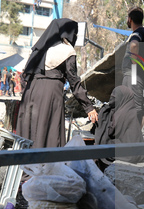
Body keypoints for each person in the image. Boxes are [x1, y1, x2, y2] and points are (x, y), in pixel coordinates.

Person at [16, 18, 98, 149]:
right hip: (50, 94)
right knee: (48, 133)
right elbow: (74, 82)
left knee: (29, 132)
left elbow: (25, 75)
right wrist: (89, 107)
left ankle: (25, 168)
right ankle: (44, 167)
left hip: (30, 93)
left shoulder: (40, 48)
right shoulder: (67, 51)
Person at [121, 6, 144, 125]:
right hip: (138, 77)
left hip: (133, 77)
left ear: (130, 19)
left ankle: (132, 140)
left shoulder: (138, 33)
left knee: (132, 110)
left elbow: (134, 45)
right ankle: (135, 139)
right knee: (138, 109)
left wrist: (135, 64)